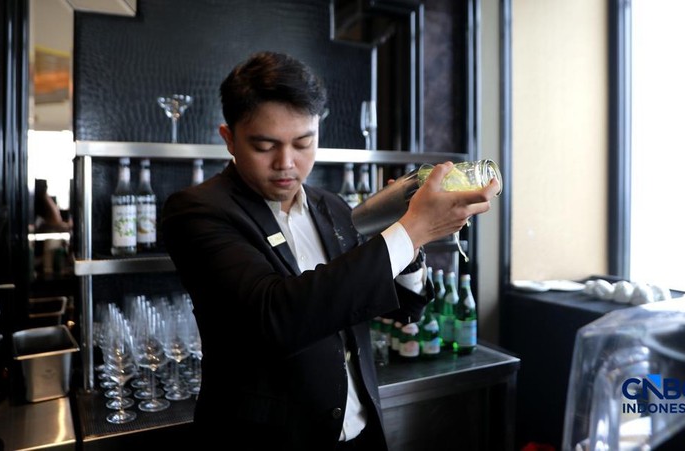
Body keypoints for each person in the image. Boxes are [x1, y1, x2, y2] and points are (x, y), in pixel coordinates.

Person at [161, 51, 500, 451]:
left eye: (303, 143)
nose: (286, 163)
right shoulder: (198, 211)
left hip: (360, 432)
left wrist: (409, 236)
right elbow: (274, 316)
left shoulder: (332, 207)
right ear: (229, 139)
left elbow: (402, 307)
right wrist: (413, 229)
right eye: (264, 145)